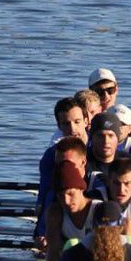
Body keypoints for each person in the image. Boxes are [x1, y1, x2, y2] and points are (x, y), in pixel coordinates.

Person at [34, 99, 90, 242]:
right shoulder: (50, 156)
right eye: (66, 124)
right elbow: (45, 193)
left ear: (86, 121)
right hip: (64, 205)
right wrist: (41, 231)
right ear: (59, 126)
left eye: (77, 122)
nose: (72, 129)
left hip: (94, 208)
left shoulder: (99, 148)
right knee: (53, 193)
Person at [44, 161, 101, 261]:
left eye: (71, 194)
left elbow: (108, 249)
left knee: (73, 244)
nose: (66, 201)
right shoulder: (56, 212)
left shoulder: (99, 209)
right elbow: (53, 250)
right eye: (61, 196)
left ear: (81, 189)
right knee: (72, 245)